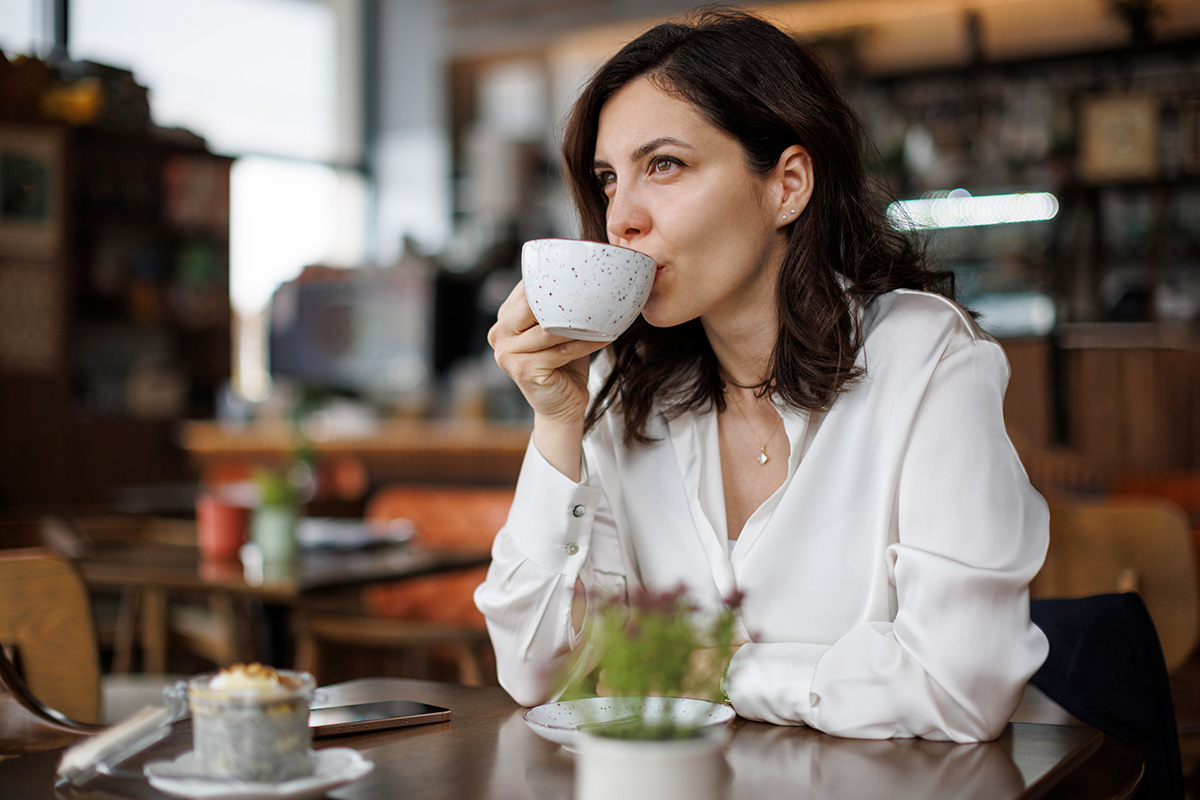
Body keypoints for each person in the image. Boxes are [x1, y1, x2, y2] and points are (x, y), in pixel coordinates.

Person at [475, 7, 1049, 742]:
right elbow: (535, 673)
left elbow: (962, 687)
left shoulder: (924, 357)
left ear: (788, 185)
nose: (620, 218)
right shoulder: (628, 388)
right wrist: (557, 423)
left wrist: (724, 671)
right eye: (609, 179)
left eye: (664, 165)